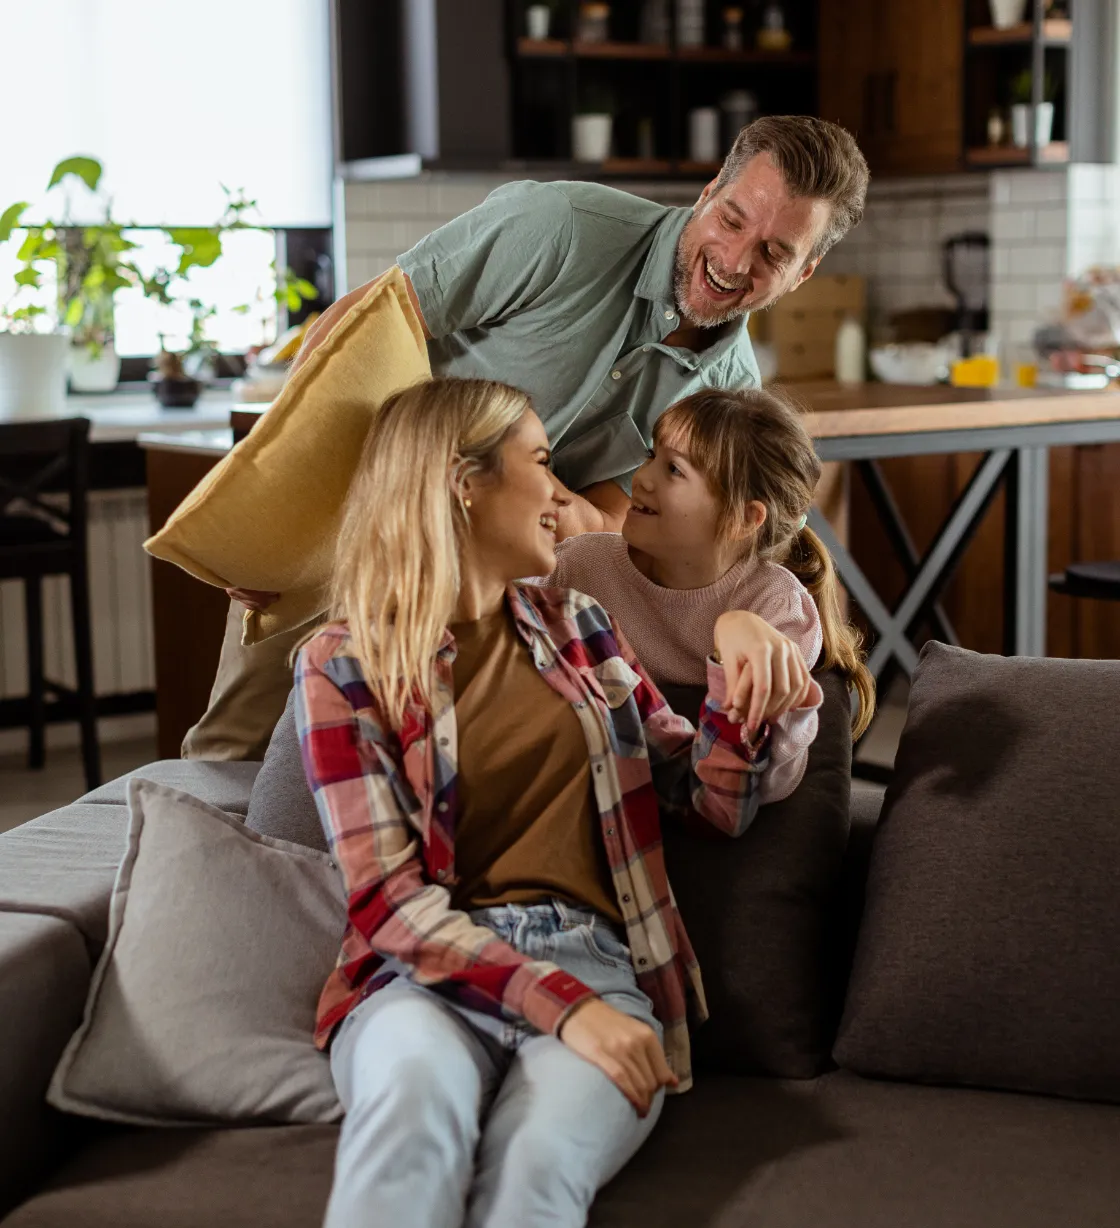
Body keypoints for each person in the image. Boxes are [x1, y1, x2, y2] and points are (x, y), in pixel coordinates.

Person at [186, 115, 870, 760]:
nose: (735, 257)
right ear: (707, 194)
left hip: (489, 608)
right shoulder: (563, 229)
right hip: (357, 511)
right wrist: (277, 507)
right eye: (732, 218)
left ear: (803, 272)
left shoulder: (727, 403)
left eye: (775, 252)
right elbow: (359, 328)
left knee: (385, 788)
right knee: (238, 751)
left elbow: (608, 523)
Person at [295, 378, 786, 1228]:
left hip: (598, 962)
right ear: (465, 482)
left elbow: (709, 803)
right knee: (413, 1117)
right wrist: (567, 1011)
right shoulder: (344, 663)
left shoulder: (580, 625)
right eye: (543, 464)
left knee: (537, 1173)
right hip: (421, 980)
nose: (563, 498)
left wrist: (736, 671)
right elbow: (387, 903)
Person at [543, 386, 876, 803]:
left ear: (743, 518)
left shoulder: (775, 607)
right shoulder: (580, 563)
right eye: (651, 456)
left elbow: (764, 784)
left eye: (675, 470)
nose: (641, 478)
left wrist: (734, 639)